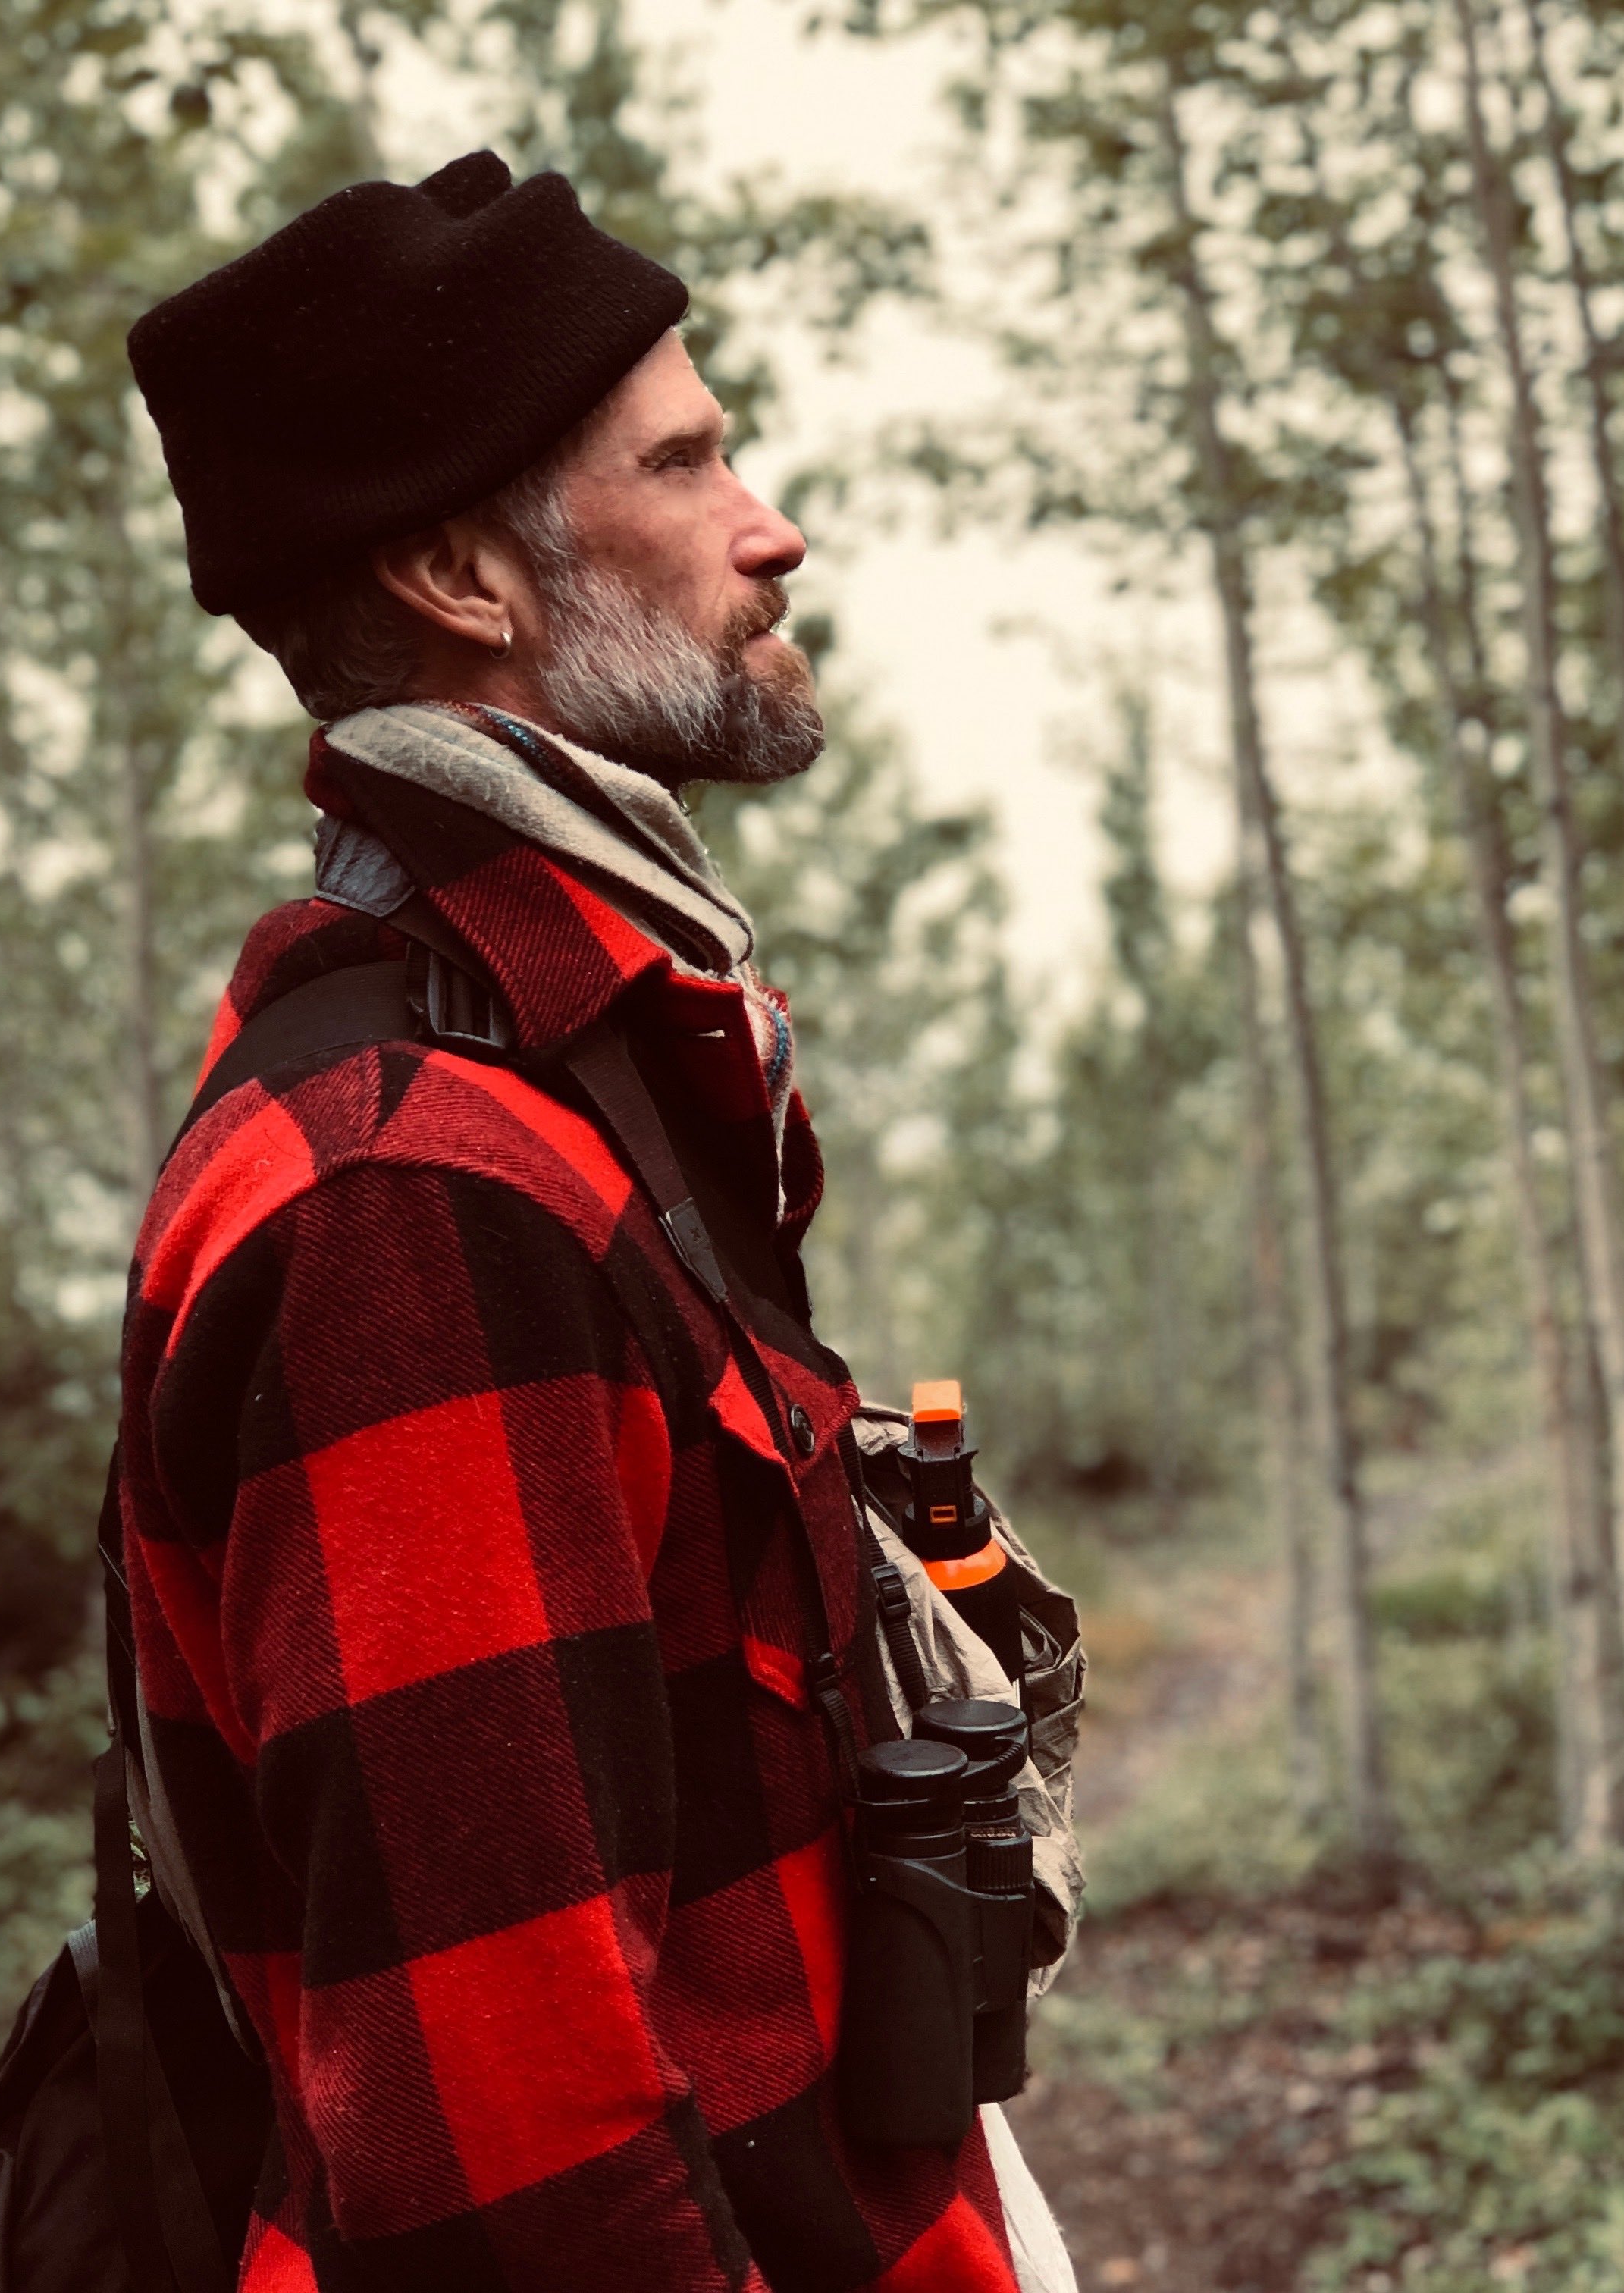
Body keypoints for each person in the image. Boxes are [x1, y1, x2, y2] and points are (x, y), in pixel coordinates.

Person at [119, 152, 1051, 2293]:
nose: (771, 524)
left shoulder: (569, 1080)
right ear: (462, 576)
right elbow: (507, 2174)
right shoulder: (413, 1191)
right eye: (688, 462)